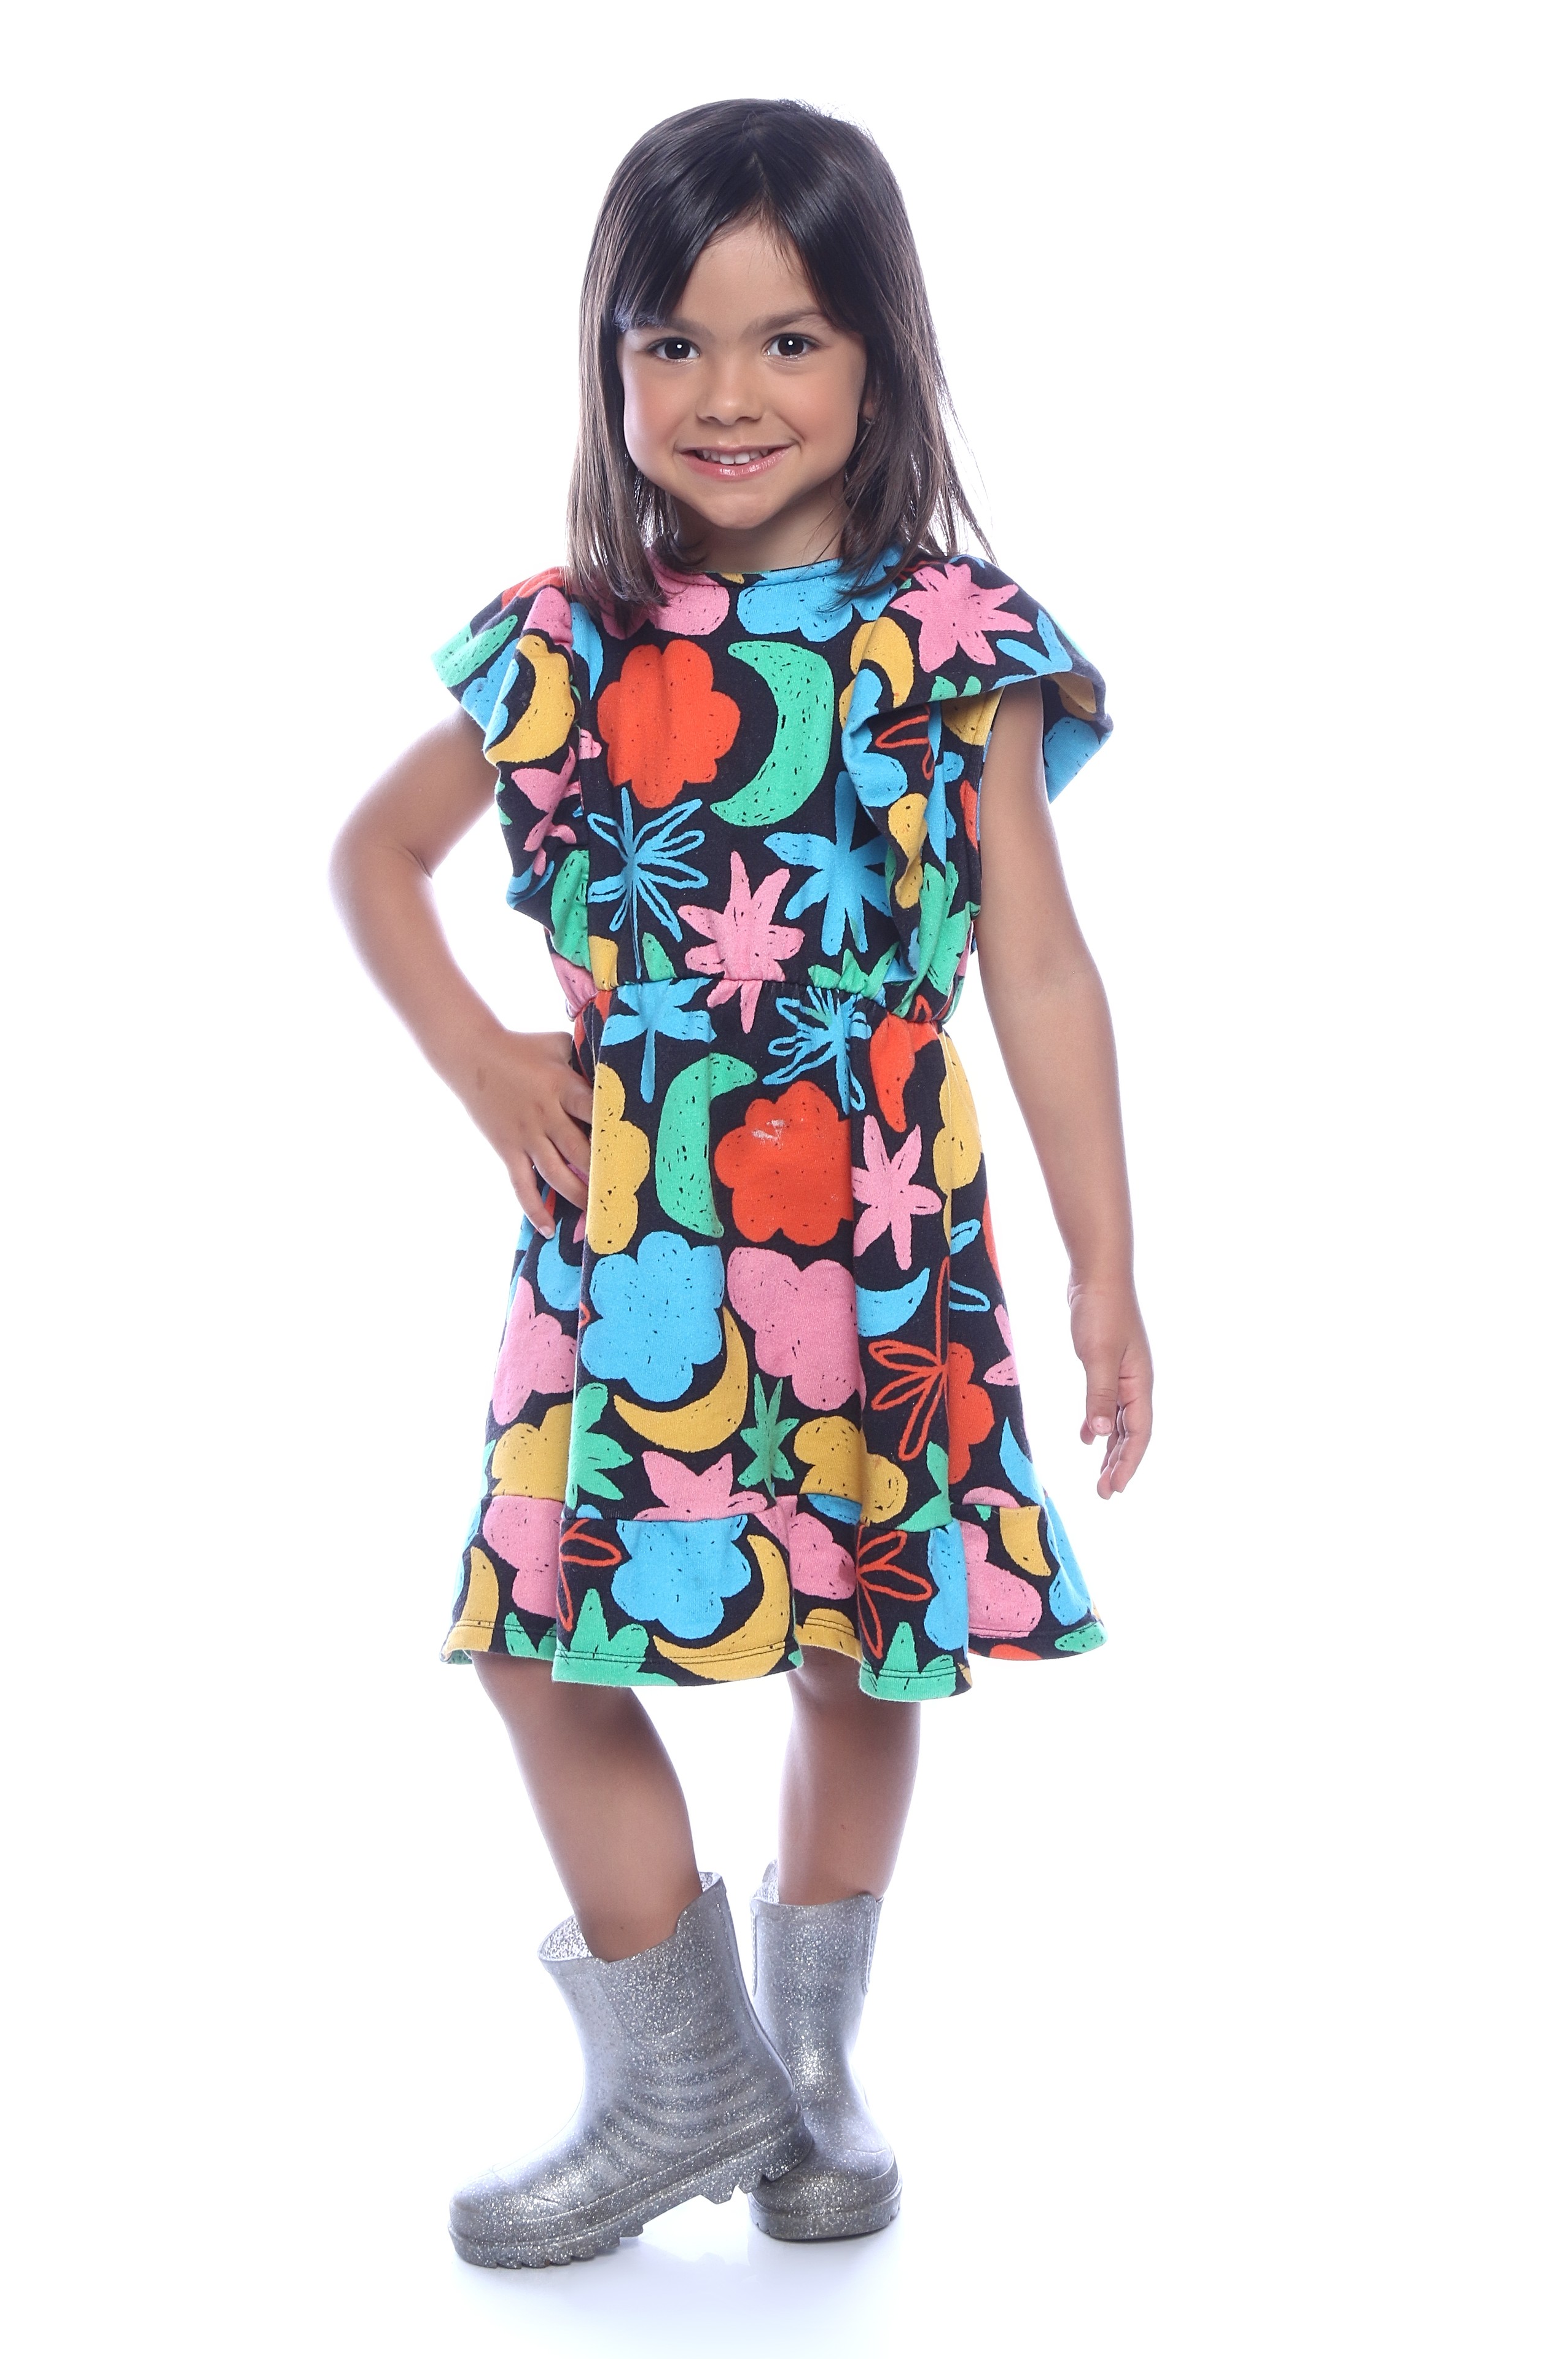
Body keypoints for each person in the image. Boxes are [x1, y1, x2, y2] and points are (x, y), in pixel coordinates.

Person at [331, 97, 1152, 2270]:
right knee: (539, 1638)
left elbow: (1039, 968)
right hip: (627, 1251)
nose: (726, 394)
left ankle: (808, 2076)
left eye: (788, 340)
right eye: (670, 343)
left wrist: (1105, 1269)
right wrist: (485, 1056)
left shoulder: (952, 640)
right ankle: (688, 2076)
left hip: (874, 1249)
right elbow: (374, 857)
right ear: (609, 363)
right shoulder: (565, 642)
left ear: (880, 355)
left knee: (858, 1652)